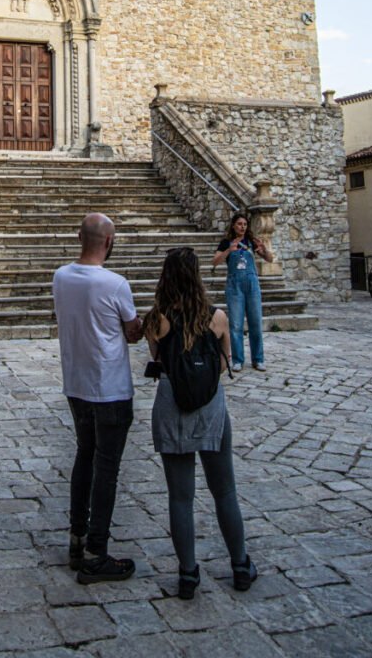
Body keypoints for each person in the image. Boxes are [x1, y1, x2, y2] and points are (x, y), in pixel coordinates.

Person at [143, 246, 257, 599]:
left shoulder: (155, 319)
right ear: (196, 277)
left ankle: (188, 575)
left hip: (171, 403)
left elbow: (157, 358)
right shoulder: (217, 317)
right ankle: (240, 566)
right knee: (224, 490)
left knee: (180, 497)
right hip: (211, 407)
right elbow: (225, 362)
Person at [53, 212, 143, 584]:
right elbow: (133, 333)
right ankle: (96, 551)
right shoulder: (116, 283)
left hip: (76, 383)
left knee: (84, 456)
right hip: (110, 387)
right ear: (109, 242)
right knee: (107, 468)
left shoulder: (60, 277)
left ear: (79, 237)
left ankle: (77, 538)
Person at [213, 211, 273, 372]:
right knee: (236, 324)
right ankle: (238, 360)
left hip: (252, 285)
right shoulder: (226, 242)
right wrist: (228, 251)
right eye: (239, 224)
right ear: (233, 225)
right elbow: (215, 261)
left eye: (245, 224)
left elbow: (269, 259)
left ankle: (258, 359)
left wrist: (264, 249)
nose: (242, 227)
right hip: (234, 286)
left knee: (255, 322)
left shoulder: (252, 242)